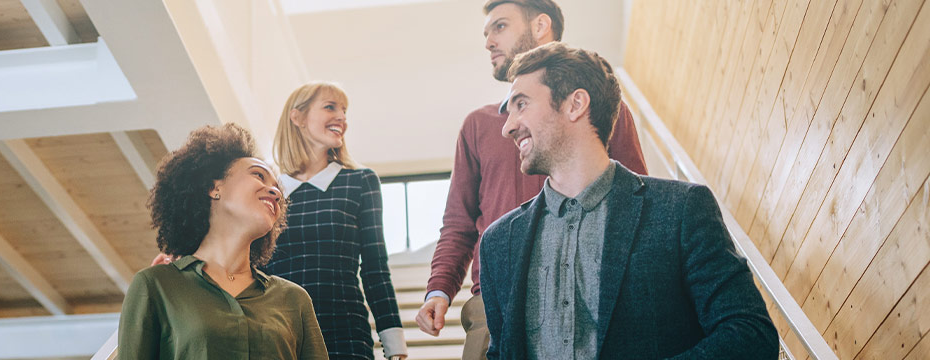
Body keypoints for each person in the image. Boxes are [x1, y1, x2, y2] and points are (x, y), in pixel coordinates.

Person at [480, 42, 777, 359]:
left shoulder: (681, 210)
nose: (507, 127)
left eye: (521, 104)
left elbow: (750, 334)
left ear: (575, 104)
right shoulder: (498, 243)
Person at [415, 2, 649, 359]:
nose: (489, 42)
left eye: (500, 27)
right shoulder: (478, 126)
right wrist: (439, 290)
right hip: (494, 305)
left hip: (591, 295)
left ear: (541, 25)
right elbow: (458, 223)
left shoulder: (601, 112)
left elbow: (637, 205)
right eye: (487, 32)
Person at [118, 123, 329, 360]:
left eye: (277, 188)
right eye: (259, 175)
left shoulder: (294, 299)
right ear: (213, 187)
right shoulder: (155, 285)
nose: (275, 192)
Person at [262, 82, 405, 360]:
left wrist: (394, 345)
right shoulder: (269, 189)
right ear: (298, 117)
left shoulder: (360, 181)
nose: (342, 118)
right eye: (330, 107)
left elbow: (375, 268)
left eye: (344, 111)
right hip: (275, 332)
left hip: (345, 333)